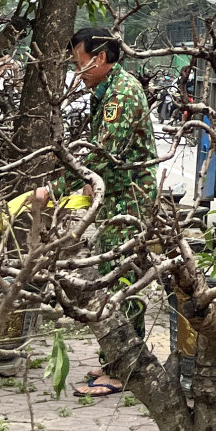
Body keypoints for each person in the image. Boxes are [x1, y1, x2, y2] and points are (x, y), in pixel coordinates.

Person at [43, 27, 156, 397]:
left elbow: (100, 154)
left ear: (102, 58)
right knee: (116, 276)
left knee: (123, 279)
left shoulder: (121, 94)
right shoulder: (106, 90)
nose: (78, 71)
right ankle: (117, 359)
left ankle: (127, 368)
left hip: (131, 197)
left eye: (81, 63)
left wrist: (52, 190)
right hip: (118, 194)